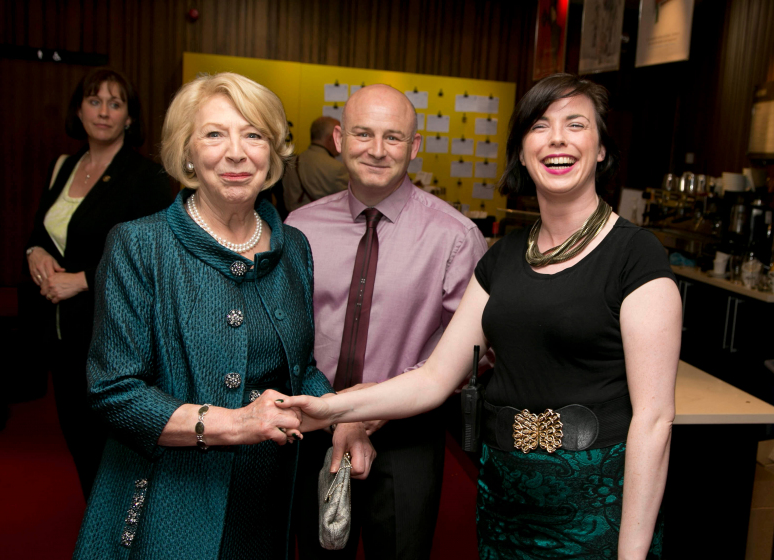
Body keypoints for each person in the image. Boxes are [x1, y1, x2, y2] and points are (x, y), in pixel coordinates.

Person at [279, 74, 681, 560]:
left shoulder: (635, 255)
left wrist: (632, 554)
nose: (556, 139)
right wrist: (329, 408)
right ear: (522, 150)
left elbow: (655, 420)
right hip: (505, 500)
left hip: (595, 505)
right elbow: (433, 378)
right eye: (539, 126)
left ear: (600, 148)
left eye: (575, 124)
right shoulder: (503, 258)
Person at [72, 72, 373, 560]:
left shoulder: (293, 246)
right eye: (214, 133)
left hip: (269, 499)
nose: (236, 152)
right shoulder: (139, 245)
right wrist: (235, 424)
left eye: (253, 134)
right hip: (170, 503)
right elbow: (114, 392)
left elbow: (298, 369)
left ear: (272, 154)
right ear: (187, 151)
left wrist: (339, 416)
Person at [286, 84, 488, 559]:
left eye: (393, 138)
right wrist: (332, 413)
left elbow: (475, 357)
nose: (377, 150)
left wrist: (369, 413)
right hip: (312, 431)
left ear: (415, 146)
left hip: (407, 437)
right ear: (339, 138)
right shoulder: (298, 228)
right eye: (363, 134)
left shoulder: (456, 238)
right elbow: (285, 337)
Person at [24, 67, 172, 499]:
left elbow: (156, 259)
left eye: (115, 103)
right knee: (79, 445)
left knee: (113, 454)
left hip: (112, 338)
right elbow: (43, 231)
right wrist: (33, 251)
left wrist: (83, 280)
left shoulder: (145, 177)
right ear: (79, 110)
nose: (103, 111)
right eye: (94, 100)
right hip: (61, 334)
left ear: (130, 117)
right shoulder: (64, 166)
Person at [282, 116, 349, 212]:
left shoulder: (292, 162)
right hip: (321, 224)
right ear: (330, 139)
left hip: (290, 222)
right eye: (340, 137)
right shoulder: (338, 169)